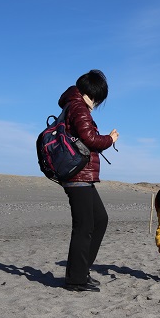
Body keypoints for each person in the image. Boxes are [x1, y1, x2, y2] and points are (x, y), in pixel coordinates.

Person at [59, 70, 119, 292]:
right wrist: (110, 139)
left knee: (100, 219)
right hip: (78, 176)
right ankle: (76, 279)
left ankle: (81, 270)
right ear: (89, 93)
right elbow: (90, 139)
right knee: (84, 227)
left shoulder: (72, 106)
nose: (96, 103)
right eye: (96, 98)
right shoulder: (78, 107)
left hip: (82, 177)